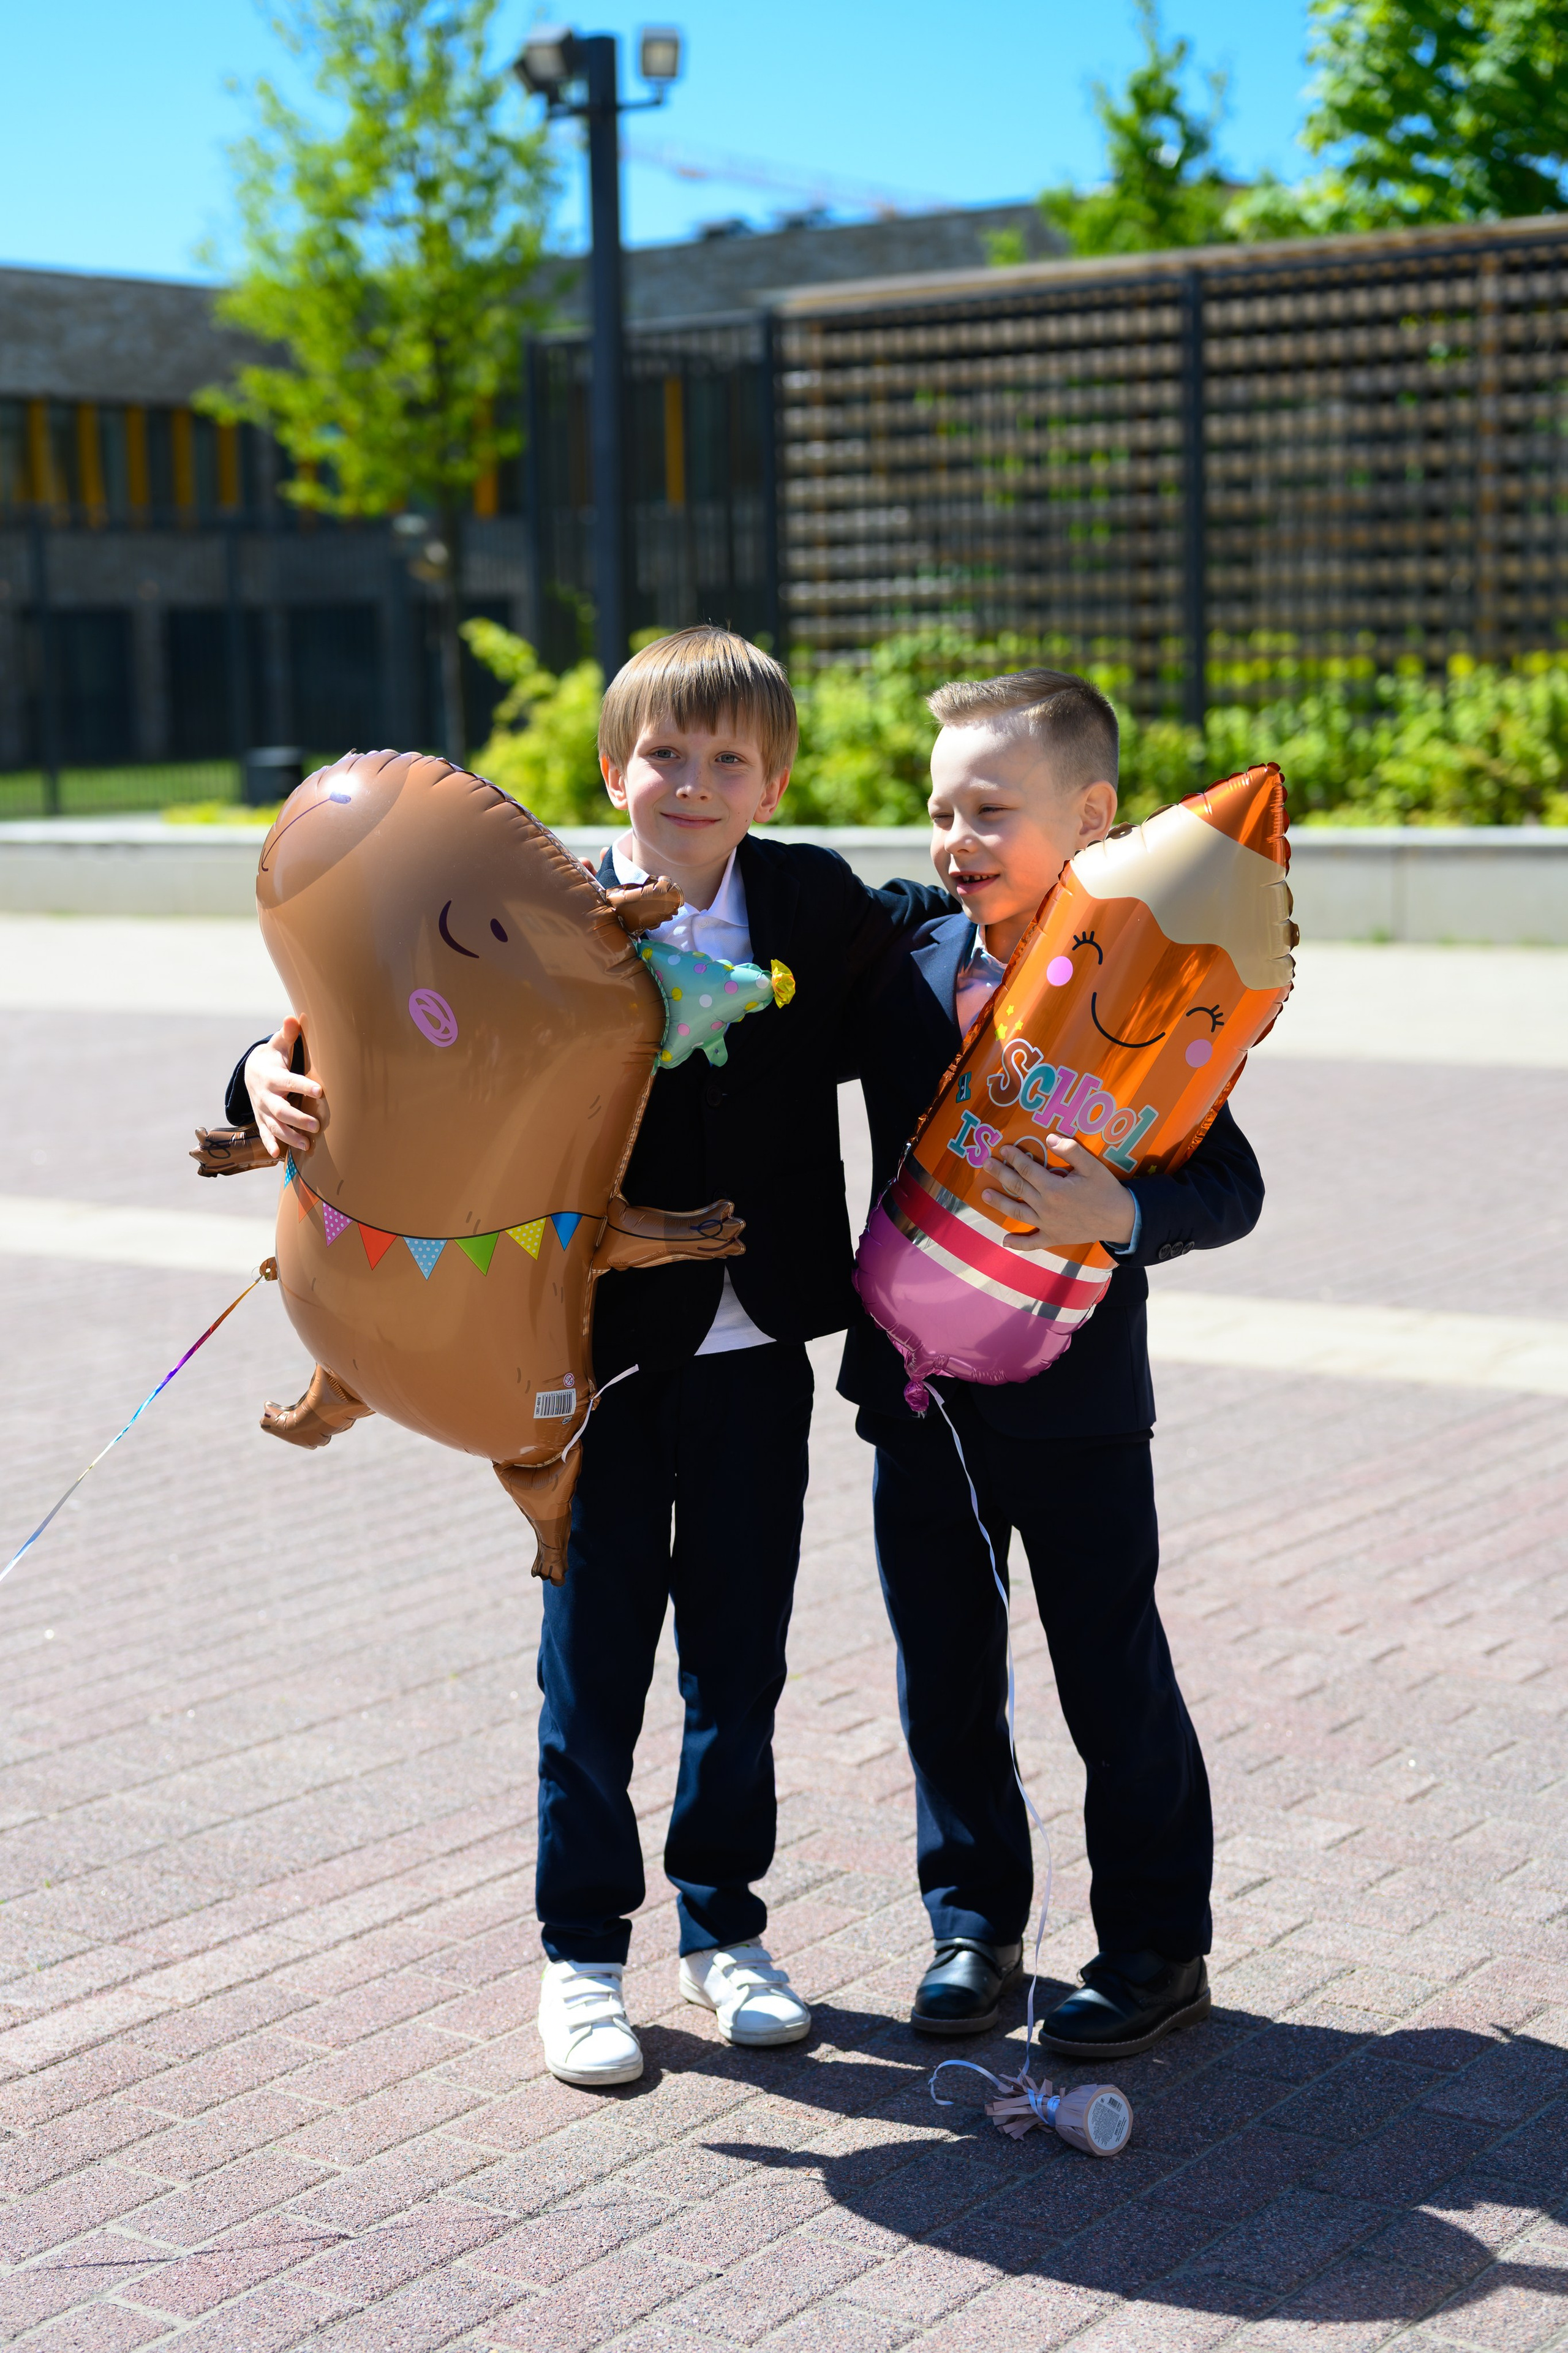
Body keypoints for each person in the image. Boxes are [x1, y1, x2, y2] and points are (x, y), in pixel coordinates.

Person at [228, 628, 944, 2090]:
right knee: (593, 1670)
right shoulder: (541, 905)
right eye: (663, 755)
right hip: (588, 1363)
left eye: (726, 759)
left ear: (774, 779)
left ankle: (726, 1932)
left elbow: (935, 929)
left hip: (757, 1364)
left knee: (739, 1662)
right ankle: (581, 1956)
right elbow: (383, 998)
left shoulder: (803, 899)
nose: (691, 781)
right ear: (612, 770)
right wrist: (254, 1067)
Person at [840, 668, 1264, 2061]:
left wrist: (1123, 1215)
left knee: (1107, 1668)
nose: (954, 838)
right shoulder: (897, 950)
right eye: (938, 809)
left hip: (1079, 1406)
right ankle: (974, 1925)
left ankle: (1155, 1948)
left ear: (1090, 818)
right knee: (943, 1670)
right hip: (916, 1397)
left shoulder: (1152, 990)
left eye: (989, 810)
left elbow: (1231, 1181)